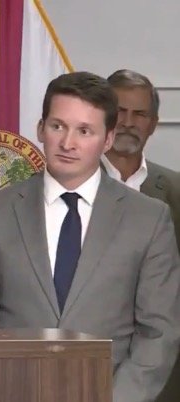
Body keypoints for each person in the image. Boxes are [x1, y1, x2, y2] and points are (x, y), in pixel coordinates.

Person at [0, 71, 180, 402]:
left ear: (108, 139)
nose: (68, 143)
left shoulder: (149, 218)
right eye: (58, 126)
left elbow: (158, 333)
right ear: (40, 129)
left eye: (85, 131)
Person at [102, 69, 180, 402]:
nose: (128, 122)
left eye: (140, 114)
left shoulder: (176, 190)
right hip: (82, 360)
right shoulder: (69, 185)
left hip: (162, 374)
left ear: (153, 123)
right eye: (119, 111)